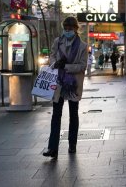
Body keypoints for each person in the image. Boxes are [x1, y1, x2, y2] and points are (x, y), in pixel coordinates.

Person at [43, 16, 88, 159]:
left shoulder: (82, 46)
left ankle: (72, 144)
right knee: (56, 115)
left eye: (70, 28)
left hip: (73, 83)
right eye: (65, 28)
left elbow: (82, 66)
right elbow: (52, 56)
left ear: (76, 29)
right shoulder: (58, 41)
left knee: (73, 114)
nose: (67, 31)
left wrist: (66, 66)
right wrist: (55, 62)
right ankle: (52, 148)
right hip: (59, 82)